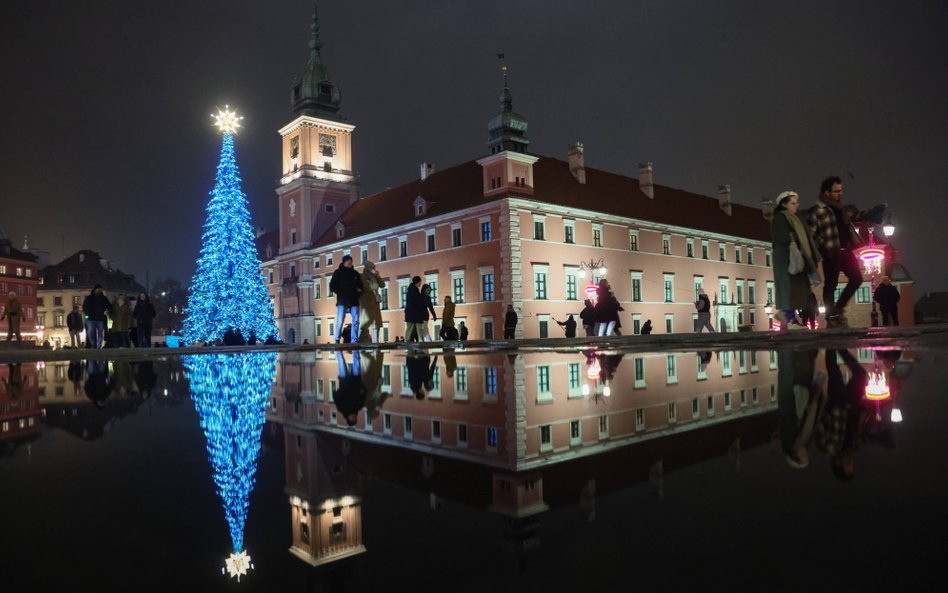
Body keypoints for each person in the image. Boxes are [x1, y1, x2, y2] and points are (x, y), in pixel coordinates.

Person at [806, 176, 885, 327]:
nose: (840, 194)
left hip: (845, 250)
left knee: (857, 278)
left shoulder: (840, 208)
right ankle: (831, 315)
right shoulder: (816, 211)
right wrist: (822, 246)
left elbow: (854, 217)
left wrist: (871, 214)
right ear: (826, 192)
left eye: (841, 190)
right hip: (830, 252)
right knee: (831, 284)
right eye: (836, 191)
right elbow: (812, 234)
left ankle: (839, 308)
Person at [772, 191, 822, 329]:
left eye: (797, 203)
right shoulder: (780, 218)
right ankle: (789, 318)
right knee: (789, 289)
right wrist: (796, 236)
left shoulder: (796, 218)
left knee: (798, 290)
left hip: (797, 258)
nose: (796, 206)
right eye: (793, 203)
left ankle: (786, 316)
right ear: (784, 204)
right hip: (786, 259)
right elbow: (782, 237)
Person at [776, 349, 824, 469]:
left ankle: (789, 336)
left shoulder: (790, 438)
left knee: (795, 359)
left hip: (794, 389)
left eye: (803, 456)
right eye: (806, 456)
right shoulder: (803, 439)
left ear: (794, 455)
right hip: (802, 389)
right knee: (805, 360)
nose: (805, 453)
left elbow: (789, 412)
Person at [330, 255, 363, 344]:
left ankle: (354, 339)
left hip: (354, 299)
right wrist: (340, 292)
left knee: (355, 320)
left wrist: (358, 292)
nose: (350, 263)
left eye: (351, 261)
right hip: (342, 299)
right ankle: (337, 339)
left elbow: (361, 286)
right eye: (348, 261)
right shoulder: (338, 273)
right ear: (344, 262)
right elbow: (332, 286)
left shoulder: (355, 273)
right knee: (340, 320)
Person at [333, 351, 366, 426]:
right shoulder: (359, 406)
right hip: (355, 380)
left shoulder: (342, 408)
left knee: (341, 361)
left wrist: (341, 391)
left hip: (344, 381)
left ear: (348, 418)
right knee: (356, 360)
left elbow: (335, 395)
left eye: (353, 419)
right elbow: (364, 394)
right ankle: (354, 343)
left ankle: (337, 344)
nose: (354, 418)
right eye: (355, 419)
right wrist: (362, 388)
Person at [358, 260, 384, 342]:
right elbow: (363, 288)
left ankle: (376, 340)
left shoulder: (375, 276)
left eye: (373, 267)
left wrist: (378, 276)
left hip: (375, 301)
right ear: (367, 268)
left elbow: (383, 285)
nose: (373, 269)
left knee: (377, 321)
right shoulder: (362, 276)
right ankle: (362, 338)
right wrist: (372, 287)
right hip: (366, 301)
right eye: (371, 267)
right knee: (367, 320)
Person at [404, 276, 426, 342]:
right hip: (414, 312)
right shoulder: (414, 290)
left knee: (410, 327)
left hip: (410, 312)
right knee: (418, 327)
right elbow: (417, 301)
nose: (421, 283)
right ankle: (420, 340)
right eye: (420, 282)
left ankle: (408, 339)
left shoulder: (410, 289)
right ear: (418, 282)